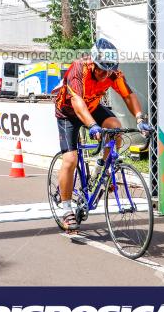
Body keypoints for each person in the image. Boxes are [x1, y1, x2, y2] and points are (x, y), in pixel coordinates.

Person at [52, 38, 152, 232]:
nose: (105, 74)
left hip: (92, 106)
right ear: (93, 63)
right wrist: (92, 125)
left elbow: (128, 96)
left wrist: (140, 119)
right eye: (101, 70)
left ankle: (102, 169)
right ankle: (66, 210)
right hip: (69, 111)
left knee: (115, 127)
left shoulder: (112, 72)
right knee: (70, 160)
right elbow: (78, 102)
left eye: (109, 70)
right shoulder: (79, 68)